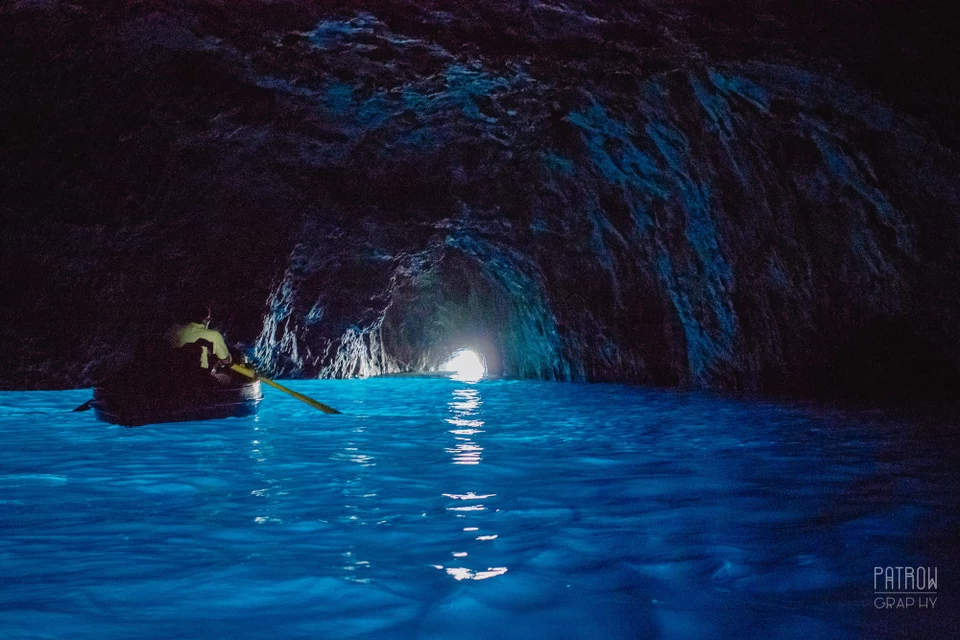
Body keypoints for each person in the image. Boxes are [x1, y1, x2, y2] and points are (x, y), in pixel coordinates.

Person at [166, 304, 233, 384]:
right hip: (200, 380)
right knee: (226, 378)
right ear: (206, 320)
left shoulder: (177, 332)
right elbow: (226, 361)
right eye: (209, 320)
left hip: (178, 379)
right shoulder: (214, 335)